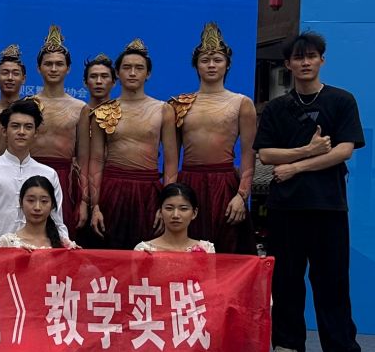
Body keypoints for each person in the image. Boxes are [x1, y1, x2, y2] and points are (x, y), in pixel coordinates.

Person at [256, 31, 366, 352]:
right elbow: (266, 154)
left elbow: (344, 150)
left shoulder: (341, 100)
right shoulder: (276, 108)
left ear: (321, 60)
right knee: (286, 280)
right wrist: (307, 150)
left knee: (332, 281)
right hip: (285, 208)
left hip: (328, 206)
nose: (305, 63)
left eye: (311, 56)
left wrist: (296, 167)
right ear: (287, 64)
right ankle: (286, 348)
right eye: (298, 58)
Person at [170, 23, 257, 253]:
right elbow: (171, 158)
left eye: (217, 60)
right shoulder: (180, 104)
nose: (211, 65)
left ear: (227, 65)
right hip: (189, 182)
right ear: (196, 65)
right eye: (205, 60)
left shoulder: (241, 103)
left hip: (225, 183)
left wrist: (242, 195)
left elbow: (249, 154)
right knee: (186, 249)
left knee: (228, 249)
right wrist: (169, 197)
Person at [88, 40, 178, 249]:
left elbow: (171, 162)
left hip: (149, 190)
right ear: (117, 73)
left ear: (148, 74)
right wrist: (95, 205)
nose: (132, 73)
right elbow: (96, 161)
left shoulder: (163, 110)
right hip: (112, 188)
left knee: (146, 253)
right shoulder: (103, 111)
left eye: (139, 68)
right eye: (127, 67)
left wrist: (166, 204)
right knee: (110, 253)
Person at [17, 26, 86, 232]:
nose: (53, 69)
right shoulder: (27, 104)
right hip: (29, 174)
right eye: (48, 64)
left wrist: (84, 201)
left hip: (65, 178)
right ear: (39, 68)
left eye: (59, 64)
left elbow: (83, 159)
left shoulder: (80, 108)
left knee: (61, 235)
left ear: (68, 68)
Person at [0, 98, 64, 247]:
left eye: (28, 127)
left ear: (36, 133)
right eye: (15, 126)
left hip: (41, 254)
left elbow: (57, 220)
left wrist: (64, 246)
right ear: (4, 131)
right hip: (0, 253)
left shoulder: (49, 174)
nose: (21, 132)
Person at [70, 53, 118, 242]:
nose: (99, 81)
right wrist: (83, 198)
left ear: (114, 82)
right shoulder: (76, 113)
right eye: (93, 76)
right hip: (77, 189)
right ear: (85, 82)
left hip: (111, 187)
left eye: (104, 76)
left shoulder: (122, 114)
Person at [0, 175, 75, 250]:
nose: (37, 207)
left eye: (44, 201)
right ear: (21, 203)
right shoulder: (8, 243)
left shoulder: (64, 245)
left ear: (52, 205)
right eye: (31, 200)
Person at [135, 183, 215, 254]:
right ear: (160, 212)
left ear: (194, 213)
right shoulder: (143, 249)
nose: (175, 215)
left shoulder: (206, 249)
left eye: (183, 209)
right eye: (169, 208)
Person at [0, 43, 28, 115]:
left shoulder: (31, 113)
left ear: (23, 79)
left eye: (16, 74)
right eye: (5, 73)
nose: (10, 78)